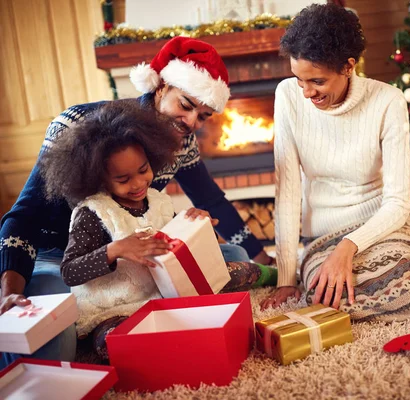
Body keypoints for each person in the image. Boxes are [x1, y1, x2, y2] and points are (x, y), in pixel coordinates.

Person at [0, 37, 273, 368]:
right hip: (62, 259)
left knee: (233, 256)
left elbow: (211, 200)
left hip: (134, 260)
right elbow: (24, 216)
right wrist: (9, 290)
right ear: (161, 87)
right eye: (186, 105)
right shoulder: (77, 124)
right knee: (53, 342)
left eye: (203, 116)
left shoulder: (181, 144)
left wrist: (269, 262)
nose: (191, 123)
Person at [260, 4, 410, 321]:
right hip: (322, 237)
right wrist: (287, 279)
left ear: (348, 66)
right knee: (324, 299)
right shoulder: (287, 96)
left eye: (317, 81)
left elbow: (398, 203)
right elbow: (287, 192)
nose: (305, 92)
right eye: (299, 80)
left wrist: (349, 247)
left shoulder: (388, 101)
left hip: (381, 228)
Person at [39, 101, 276, 361]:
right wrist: (115, 250)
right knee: (116, 342)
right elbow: (70, 271)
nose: (139, 183)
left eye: (143, 171)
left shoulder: (158, 200)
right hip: (113, 310)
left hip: (164, 295)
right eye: (123, 179)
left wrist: (197, 225)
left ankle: (274, 276)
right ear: (98, 178)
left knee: (235, 267)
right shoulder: (93, 213)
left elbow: (178, 247)